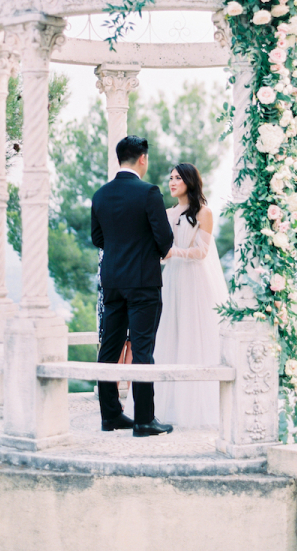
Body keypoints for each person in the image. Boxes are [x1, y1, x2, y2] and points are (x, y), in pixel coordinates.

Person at [91, 135, 174, 437]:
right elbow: (164, 240)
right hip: (143, 283)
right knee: (142, 349)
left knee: (109, 348)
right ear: (142, 158)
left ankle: (110, 416)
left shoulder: (100, 195)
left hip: (111, 281)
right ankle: (143, 420)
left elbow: (97, 238)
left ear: (118, 159)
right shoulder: (149, 192)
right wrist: (146, 251)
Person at [154, 163, 228, 428]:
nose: (172, 182)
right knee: (171, 335)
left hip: (195, 280)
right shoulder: (165, 212)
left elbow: (202, 252)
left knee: (195, 336)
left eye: (177, 178)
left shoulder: (203, 213)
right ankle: (170, 405)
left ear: (189, 181)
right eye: (170, 177)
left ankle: (199, 406)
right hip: (172, 278)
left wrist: (174, 252)